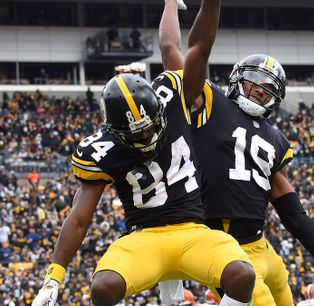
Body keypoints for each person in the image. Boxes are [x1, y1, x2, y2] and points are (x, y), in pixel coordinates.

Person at [157, 1, 314, 305]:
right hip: (221, 246)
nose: (260, 91)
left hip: (261, 246)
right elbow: (175, 48)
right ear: (237, 80)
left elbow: (291, 212)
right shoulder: (208, 104)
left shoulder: (275, 138)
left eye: (267, 89)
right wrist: (173, 3)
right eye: (254, 84)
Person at [31, 1, 257, 306]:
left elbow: (193, 46)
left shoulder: (174, 97)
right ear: (114, 130)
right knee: (103, 287)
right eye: (134, 134)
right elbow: (80, 217)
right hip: (145, 236)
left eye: (149, 127)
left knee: (242, 276)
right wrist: (54, 275)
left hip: (194, 232)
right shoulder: (101, 149)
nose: (146, 136)